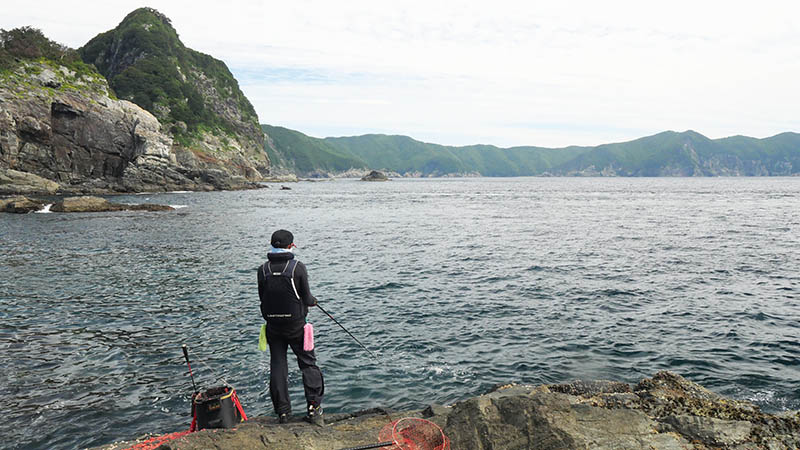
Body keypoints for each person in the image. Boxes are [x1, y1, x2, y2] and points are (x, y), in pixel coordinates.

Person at [258, 229, 325, 425]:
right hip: (296, 326)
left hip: (273, 326)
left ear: (272, 245)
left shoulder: (262, 269)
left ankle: (283, 413)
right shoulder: (297, 268)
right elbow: (307, 298)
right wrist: (313, 301)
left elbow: (262, 297)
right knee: (308, 364)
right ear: (291, 246)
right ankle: (314, 409)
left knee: (278, 365)